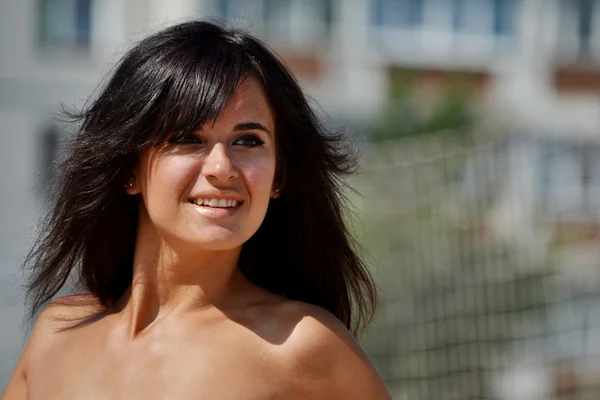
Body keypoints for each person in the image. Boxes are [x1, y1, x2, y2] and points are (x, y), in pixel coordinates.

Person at [2, 20, 391, 399]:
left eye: (249, 140)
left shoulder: (303, 346)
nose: (222, 168)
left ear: (278, 176)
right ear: (128, 169)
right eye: (188, 138)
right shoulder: (56, 334)